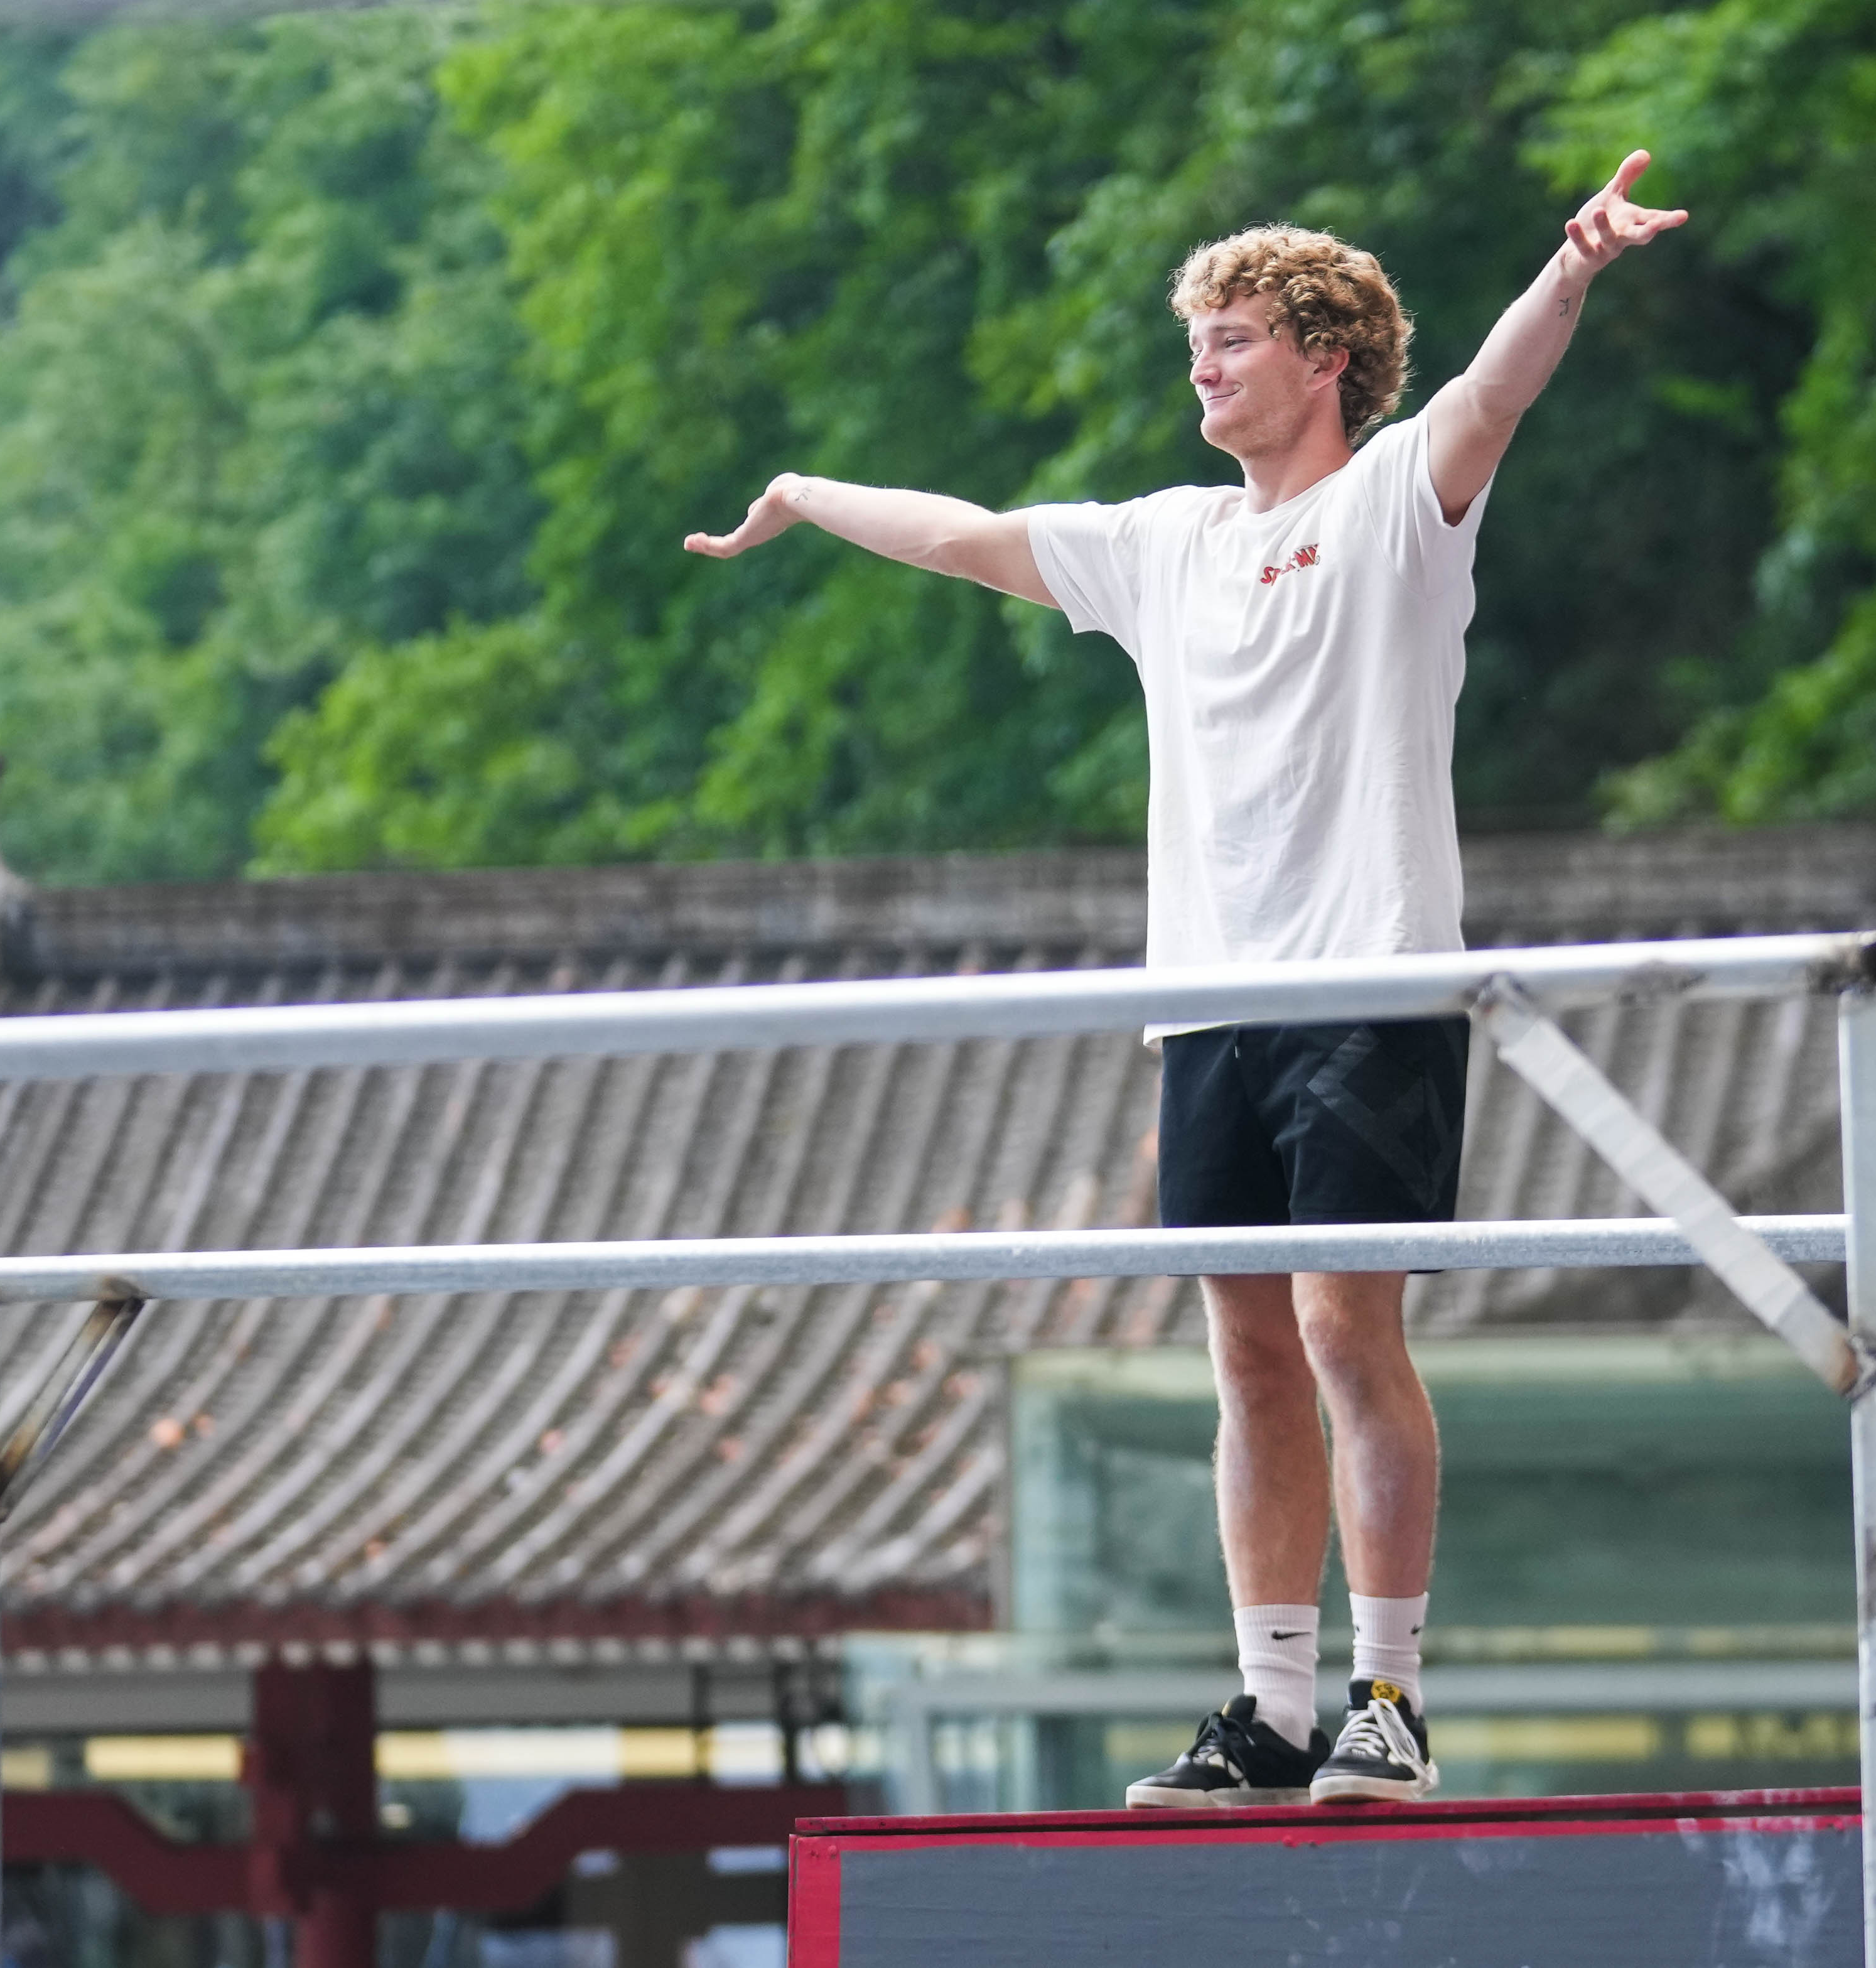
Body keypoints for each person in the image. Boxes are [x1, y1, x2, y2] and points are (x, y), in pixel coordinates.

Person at [684, 155, 1688, 1807]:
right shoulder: (1167, 545)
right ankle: (1271, 1707)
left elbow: (1496, 394)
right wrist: (805, 491)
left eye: (1231, 340)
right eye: (1195, 344)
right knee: (1245, 1356)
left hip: (1367, 983)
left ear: (1326, 358)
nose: (1202, 369)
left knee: (1347, 1334)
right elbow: (976, 538)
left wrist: (1570, 268)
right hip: (1211, 1004)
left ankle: (1391, 1699)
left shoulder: (1395, 510)